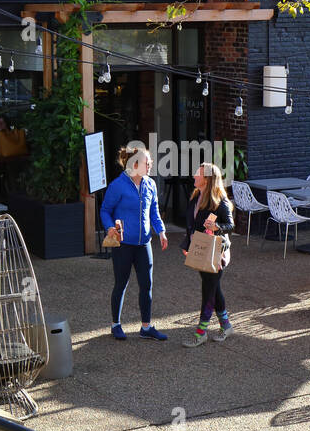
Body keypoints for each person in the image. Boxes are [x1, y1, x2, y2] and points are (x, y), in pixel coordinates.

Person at [100, 145, 169, 341]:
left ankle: (146, 327)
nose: (150, 165)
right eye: (147, 162)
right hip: (123, 244)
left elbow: (154, 211)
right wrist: (109, 227)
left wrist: (161, 231)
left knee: (146, 285)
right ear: (135, 164)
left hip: (144, 243)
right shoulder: (117, 185)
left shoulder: (150, 185)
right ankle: (116, 325)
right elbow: (105, 210)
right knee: (121, 283)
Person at [180, 162, 236, 348]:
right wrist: (186, 244)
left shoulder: (220, 201)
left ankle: (201, 332)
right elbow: (191, 225)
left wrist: (217, 227)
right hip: (201, 250)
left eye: (198, 173)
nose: (195, 175)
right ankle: (226, 325)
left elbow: (230, 225)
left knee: (208, 290)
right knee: (214, 288)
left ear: (207, 179)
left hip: (216, 254)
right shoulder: (196, 196)